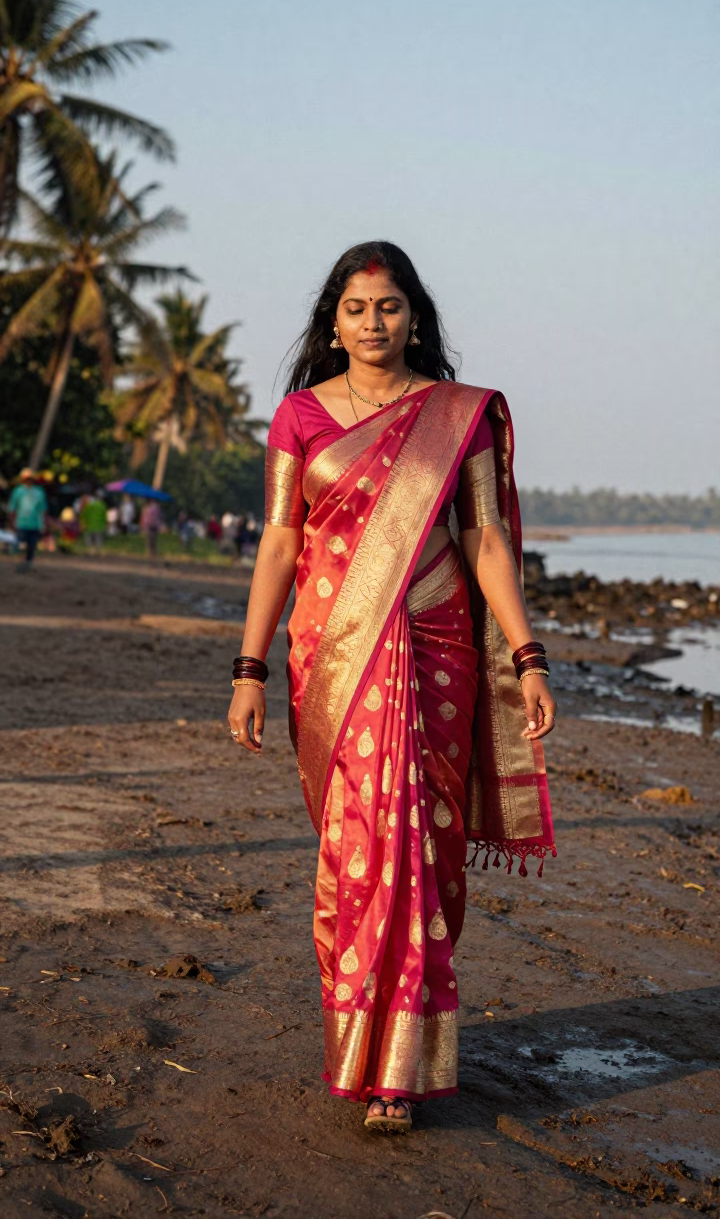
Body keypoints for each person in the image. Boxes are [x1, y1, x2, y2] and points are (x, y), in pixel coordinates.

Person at [227, 242, 557, 1133]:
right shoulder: (300, 418)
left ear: (417, 316)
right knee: (361, 845)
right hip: (334, 651)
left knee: (424, 841)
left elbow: (487, 542)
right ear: (332, 322)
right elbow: (281, 545)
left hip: (440, 640)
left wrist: (526, 654)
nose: (375, 323)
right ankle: (363, 1051)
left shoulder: (462, 415)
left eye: (391, 307)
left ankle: (400, 1069)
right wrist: (249, 668)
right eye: (358, 308)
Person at [8, 468, 47, 571]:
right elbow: (12, 507)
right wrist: (12, 522)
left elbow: (43, 509)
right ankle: (19, 563)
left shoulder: (39, 492)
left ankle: (27, 563)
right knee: (19, 544)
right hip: (21, 523)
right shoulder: (18, 491)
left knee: (32, 545)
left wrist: (43, 524)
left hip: (35, 523)